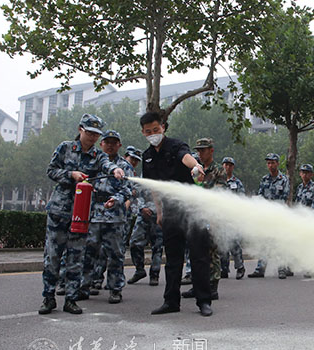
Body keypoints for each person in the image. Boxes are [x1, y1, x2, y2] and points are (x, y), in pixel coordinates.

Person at [38, 113, 125, 315]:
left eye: (96, 134)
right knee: (53, 256)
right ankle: (48, 297)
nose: (93, 137)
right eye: (90, 133)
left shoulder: (97, 155)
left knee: (76, 257)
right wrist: (71, 175)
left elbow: (107, 164)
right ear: (80, 130)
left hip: (82, 214)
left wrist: (115, 170)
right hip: (59, 212)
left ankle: (71, 299)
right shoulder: (65, 148)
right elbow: (51, 170)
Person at [140, 112, 213, 317]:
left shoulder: (176, 145)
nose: (153, 134)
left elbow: (186, 158)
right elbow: (154, 187)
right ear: (143, 132)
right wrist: (159, 212)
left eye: (156, 129)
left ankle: (204, 301)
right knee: (173, 258)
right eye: (148, 131)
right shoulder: (147, 156)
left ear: (163, 127)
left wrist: (196, 166)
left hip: (192, 208)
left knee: (199, 256)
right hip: (171, 211)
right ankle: (171, 301)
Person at [80, 129, 134, 303]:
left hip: (115, 216)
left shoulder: (125, 166)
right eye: (107, 142)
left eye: (114, 143)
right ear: (101, 144)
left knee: (115, 254)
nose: (110, 146)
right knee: (89, 252)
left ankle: (115, 288)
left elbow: (128, 190)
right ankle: (84, 285)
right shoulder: (94, 162)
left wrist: (116, 199)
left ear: (119, 145)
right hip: (94, 214)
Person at [182, 138, 226, 299]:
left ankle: (212, 287)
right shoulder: (196, 169)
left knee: (212, 252)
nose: (200, 153)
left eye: (203, 150)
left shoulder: (218, 170)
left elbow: (219, 193)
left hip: (212, 216)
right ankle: (198, 285)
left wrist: (201, 184)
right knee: (196, 252)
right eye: (198, 150)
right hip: (196, 216)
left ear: (211, 150)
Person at [248, 153, 290, 278]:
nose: (270, 165)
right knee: (264, 243)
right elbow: (260, 196)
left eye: (272, 163)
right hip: (266, 217)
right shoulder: (264, 179)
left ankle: (282, 269)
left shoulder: (284, 179)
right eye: (268, 163)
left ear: (277, 164)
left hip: (278, 217)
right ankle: (260, 269)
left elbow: (284, 198)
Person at [219, 156, 246, 280]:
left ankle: (240, 267)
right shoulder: (219, 181)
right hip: (221, 218)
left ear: (233, 167)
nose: (227, 167)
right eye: (225, 165)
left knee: (234, 244)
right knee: (222, 243)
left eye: (230, 165)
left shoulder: (237, 183)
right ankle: (223, 269)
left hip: (232, 218)